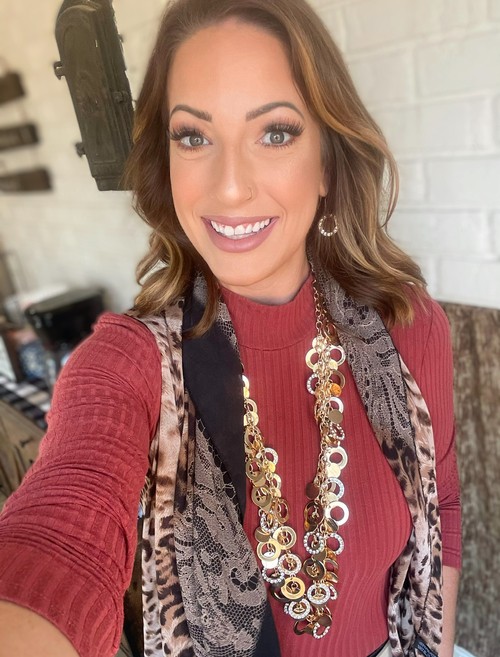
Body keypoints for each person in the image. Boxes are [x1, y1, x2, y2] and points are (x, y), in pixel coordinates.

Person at [0, 0, 461, 656]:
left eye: (275, 132)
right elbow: (60, 534)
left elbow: (443, 508)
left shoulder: (408, 325)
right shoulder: (134, 362)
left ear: (327, 164)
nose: (230, 186)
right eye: (194, 137)